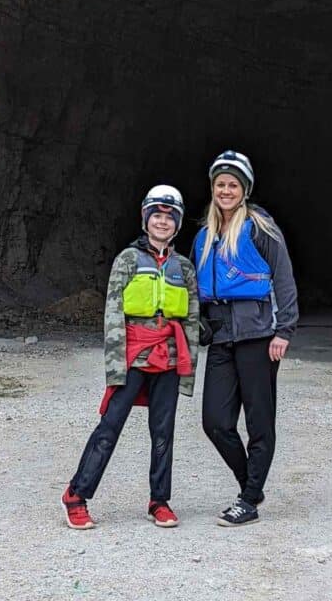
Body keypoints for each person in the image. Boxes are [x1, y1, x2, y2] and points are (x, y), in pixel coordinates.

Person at [61, 185, 199, 529]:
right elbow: (112, 315)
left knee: (163, 432)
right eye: (157, 215)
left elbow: (192, 319)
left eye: (170, 217)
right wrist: (114, 368)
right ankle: (76, 495)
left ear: (178, 223)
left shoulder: (184, 267)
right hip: (133, 356)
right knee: (110, 427)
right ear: (145, 219)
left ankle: (159, 501)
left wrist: (188, 370)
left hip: (167, 358)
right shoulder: (127, 260)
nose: (163, 222)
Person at [192, 150, 298, 527]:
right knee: (215, 421)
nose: (225, 190)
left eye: (233, 185)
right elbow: (194, 286)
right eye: (220, 184)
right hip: (221, 336)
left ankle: (249, 499)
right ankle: (250, 484)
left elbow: (283, 277)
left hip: (257, 334)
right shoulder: (205, 235)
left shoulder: (259, 227)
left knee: (259, 421)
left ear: (244, 189)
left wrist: (284, 330)